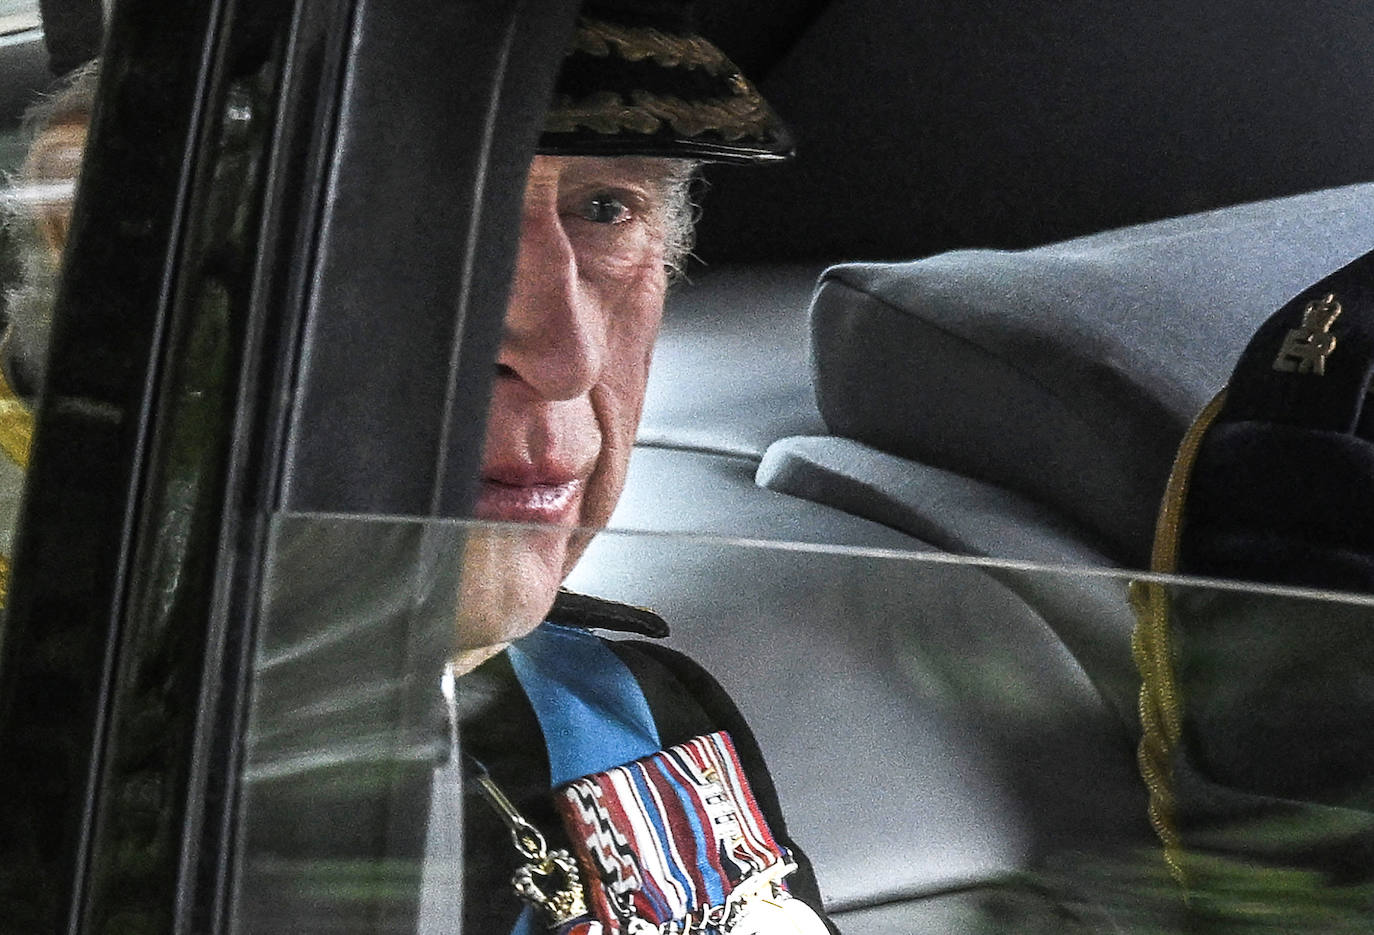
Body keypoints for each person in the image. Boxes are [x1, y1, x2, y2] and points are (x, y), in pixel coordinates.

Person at [441, 4, 833, 933]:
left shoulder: (646, 715)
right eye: (446, 208)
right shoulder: (86, 775)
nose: (569, 354)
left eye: (606, 208)